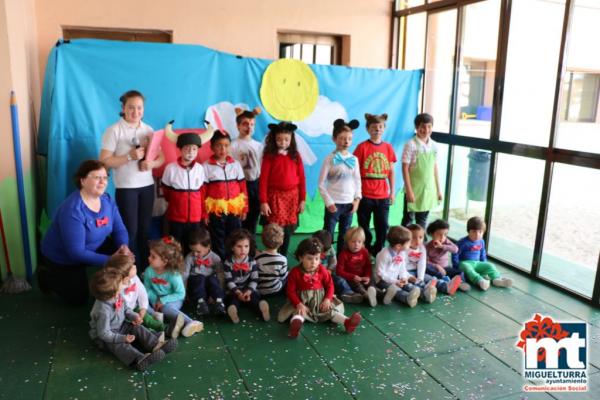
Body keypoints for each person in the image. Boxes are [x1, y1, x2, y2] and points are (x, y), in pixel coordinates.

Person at [38, 160, 130, 306]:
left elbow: (119, 228)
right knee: (77, 300)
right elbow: (75, 252)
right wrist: (109, 260)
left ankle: (108, 282)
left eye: (105, 177)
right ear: (83, 180)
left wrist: (123, 246)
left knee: (122, 254)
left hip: (93, 243)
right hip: (64, 257)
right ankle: (47, 276)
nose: (102, 182)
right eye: (97, 177)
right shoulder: (73, 210)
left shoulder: (107, 200)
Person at [99, 90, 163, 269]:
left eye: (139, 108)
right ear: (123, 108)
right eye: (131, 108)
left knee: (145, 231)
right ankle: (129, 270)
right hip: (127, 188)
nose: (136, 112)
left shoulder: (148, 130)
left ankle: (144, 269)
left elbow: (161, 158)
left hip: (147, 187)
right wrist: (129, 157)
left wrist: (152, 164)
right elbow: (104, 162)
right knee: (130, 232)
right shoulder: (114, 130)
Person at [88, 268, 176, 371]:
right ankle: (139, 359)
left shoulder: (118, 296)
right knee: (120, 345)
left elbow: (126, 309)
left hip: (120, 325)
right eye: (121, 283)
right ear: (113, 292)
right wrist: (122, 338)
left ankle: (155, 344)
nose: (124, 284)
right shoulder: (102, 310)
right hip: (106, 337)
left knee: (137, 328)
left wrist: (134, 316)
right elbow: (104, 334)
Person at [277, 237, 362, 338]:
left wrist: (327, 299)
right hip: (303, 302)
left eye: (317, 258)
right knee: (299, 312)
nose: (313, 262)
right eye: (309, 258)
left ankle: (347, 322)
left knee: (331, 311)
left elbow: (330, 285)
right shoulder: (295, 272)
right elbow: (290, 291)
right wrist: (299, 304)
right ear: (300, 258)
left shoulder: (322, 269)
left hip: (320, 301)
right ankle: (295, 325)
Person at [259, 122, 306, 257]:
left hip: (292, 198)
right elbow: (263, 180)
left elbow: (302, 178)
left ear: (291, 139)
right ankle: (273, 255)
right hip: (275, 197)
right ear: (274, 139)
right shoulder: (269, 156)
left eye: (286, 139)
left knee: (287, 229)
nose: (283, 142)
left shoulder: (295, 155)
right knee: (274, 229)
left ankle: (283, 257)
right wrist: (264, 201)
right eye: (279, 139)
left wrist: (302, 200)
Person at [354, 113, 397, 256]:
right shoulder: (362, 147)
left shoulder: (388, 148)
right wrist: (356, 194)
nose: (377, 129)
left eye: (380, 127)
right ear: (368, 129)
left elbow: (391, 172)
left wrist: (392, 192)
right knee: (364, 225)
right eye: (374, 127)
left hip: (383, 194)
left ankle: (378, 250)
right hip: (365, 194)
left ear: (384, 129)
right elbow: (354, 171)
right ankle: (366, 249)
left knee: (382, 225)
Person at [144, 236, 204, 337]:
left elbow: (181, 294)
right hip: (155, 299)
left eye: (153, 257)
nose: (149, 258)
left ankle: (191, 322)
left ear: (165, 261)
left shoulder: (173, 274)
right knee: (143, 305)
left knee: (166, 308)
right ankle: (158, 319)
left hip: (173, 299)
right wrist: (155, 301)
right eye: (150, 255)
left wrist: (163, 301)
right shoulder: (148, 271)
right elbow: (147, 289)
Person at [318, 119, 362, 254]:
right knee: (328, 233)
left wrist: (357, 199)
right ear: (334, 139)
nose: (346, 141)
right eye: (342, 138)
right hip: (334, 204)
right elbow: (321, 184)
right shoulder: (329, 159)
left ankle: (341, 260)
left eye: (349, 139)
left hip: (349, 203)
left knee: (346, 234)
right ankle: (325, 260)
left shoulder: (354, 159)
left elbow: (357, 181)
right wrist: (329, 202)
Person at [203, 130, 248, 260]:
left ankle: (234, 264)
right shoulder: (206, 166)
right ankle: (221, 265)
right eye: (219, 145)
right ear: (212, 147)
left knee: (235, 237)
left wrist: (244, 208)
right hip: (216, 211)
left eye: (226, 145)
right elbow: (203, 192)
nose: (223, 149)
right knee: (218, 238)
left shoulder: (235, 165)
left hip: (234, 209)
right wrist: (204, 213)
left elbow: (243, 188)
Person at [161, 132, 206, 253]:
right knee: (177, 245)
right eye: (187, 148)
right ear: (180, 149)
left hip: (195, 217)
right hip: (176, 217)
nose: (191, 151)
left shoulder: (200, 169)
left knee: (194, 244)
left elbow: (202, 192)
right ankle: (177, 268)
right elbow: (166, 191)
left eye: (194, 149)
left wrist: (203, 214)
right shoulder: (170, 168)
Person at [401, 113, 442, 229]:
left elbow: (434, 168)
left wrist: (438, 190)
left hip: (429, 189)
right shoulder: (411, 145)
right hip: (414, 188)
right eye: (423, 127)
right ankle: (404, 244)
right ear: (416, 128)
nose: (426, 130)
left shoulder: (434, 146)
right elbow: (404, 168)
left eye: (429, 126)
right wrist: (409, 190)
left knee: (422, 220)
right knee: (408, 219)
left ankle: (420, 244)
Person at [104, 254, 165, 332]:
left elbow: (142, 292)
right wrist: (133, 317)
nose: (135, 266)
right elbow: (121, 309)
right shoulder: (116, 289)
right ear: (126, 278)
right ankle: (151, 332)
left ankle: (164, 328)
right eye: (132, 266)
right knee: (134, 326)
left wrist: (143, 308)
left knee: (147, 319)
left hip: (134, 307)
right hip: (122, 314)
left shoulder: (134, 277)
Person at [452, 217, 513, 291]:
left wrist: (484, 263)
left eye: (480, 232)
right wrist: (456, 266)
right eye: (474, 231)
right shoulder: (462, 242)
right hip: (466, 263)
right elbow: (455, 254)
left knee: (490, 265)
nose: (477, 235)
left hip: (477, 263)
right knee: (466, 267)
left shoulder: (481, 241)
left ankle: (497, 279)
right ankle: (479, 280)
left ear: (483, 232)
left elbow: (482, 253)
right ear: (468, 231)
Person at [222, 229, 270, 323]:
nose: (243, 250)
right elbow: (229, 281)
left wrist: (248, 291)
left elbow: (254, 279)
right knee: (232, 300)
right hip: (235, 290)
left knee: (254, 298)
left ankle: (262, 308)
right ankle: (233, 311)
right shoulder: (228, 263)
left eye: (246, 246)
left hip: (248, 288)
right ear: (232, 247)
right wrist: (238, 293)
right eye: (239, 246)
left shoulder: (252, 261)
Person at [230, 107, 263, 234]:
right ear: (238, 126)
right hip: (238, 186)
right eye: (245, 124)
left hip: (255, 184)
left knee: (253, 216)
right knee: (239, 218)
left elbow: (260, 167)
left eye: (252, 124)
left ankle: (251, 246)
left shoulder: (258, 146)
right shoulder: (233, 145)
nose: (249, 127)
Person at [182, 227, 226, 317]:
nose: (195, 254)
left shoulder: (215, 258)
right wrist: (184, 291)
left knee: (213, 279)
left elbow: (220, 275)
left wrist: (221, 289)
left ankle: (218, 301)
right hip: (196, 285)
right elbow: (185, 274)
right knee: (199, 278)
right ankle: (200, 303)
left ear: (208, 246)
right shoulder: (189, 257)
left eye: (198, 251)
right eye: (192, 250)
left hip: (210, 285)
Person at [375, 226, 421, 308]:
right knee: (395, 289)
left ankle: (421, 294)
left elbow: (402, 268)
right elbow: (380, 273)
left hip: (396, 279)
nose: (410, 244)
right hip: (383, 281)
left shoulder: (402, 252)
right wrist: (395, 281)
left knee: (407, 285)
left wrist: (404, 277)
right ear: (399, 246)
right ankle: (407, 298)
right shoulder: (384, 254)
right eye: (408, 243)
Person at [335, 227, 377, 307]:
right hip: (352, 279)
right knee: (357, 285)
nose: (356, 244)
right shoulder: (343, 254)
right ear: (347, 242)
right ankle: (366, 295)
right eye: (353, 242)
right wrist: (352, 276)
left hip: (363, 277)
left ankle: (377, 292)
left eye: (359, 242)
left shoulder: (364, 251)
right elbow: (339, 271)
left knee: (372, 276)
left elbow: (368, 266)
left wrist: (367, 276)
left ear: (362, 242)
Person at [425, 219, 469, 293]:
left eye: (445, 234)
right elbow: (426, 261)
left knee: (460, 272)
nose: (442, 237)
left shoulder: (446, 242)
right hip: (436, 269)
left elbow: (455, 249)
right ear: (432, 234)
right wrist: (437, 266)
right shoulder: (427, 246)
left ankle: (459, 283)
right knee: (427, 269)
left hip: (446, 268)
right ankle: (446, 282)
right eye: (439, 234)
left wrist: (442, 246)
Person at [405, 224, 438, 303]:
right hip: (406, 273)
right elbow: (400, 268)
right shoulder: (404, 249)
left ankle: (445, 286)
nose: (418, 241)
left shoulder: (422, 248)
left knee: (431, 278)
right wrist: (409, 276)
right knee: (409, 285)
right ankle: (424, 294)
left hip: (417, 271)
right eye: (413, 237)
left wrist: (420, 278)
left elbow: (422, 264)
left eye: (420, 237)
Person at [256, 224, 288, 296]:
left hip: (260, 290)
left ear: (262, 240)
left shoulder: (257, 257)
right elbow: (282, 276)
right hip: (276, 289)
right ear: (282, 242)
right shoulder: (283, 259)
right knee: (288, 275)